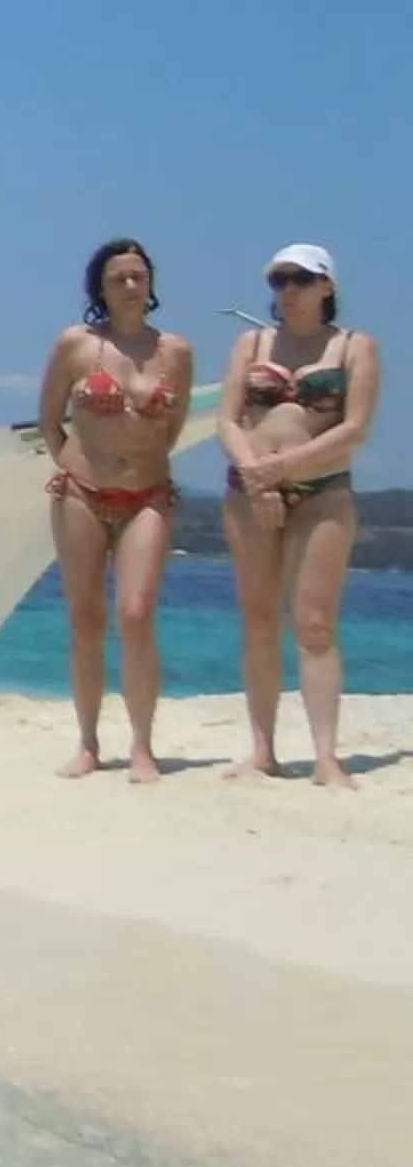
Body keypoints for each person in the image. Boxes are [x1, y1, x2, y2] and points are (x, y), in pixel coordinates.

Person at [218, 243, 383, 788]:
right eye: (279, 280)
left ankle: (326, 756)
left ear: (326, 286)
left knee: (315, 624)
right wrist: (255, 473)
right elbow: (228, 420)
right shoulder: (251, 344)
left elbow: (354, 429)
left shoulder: (355, 347)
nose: (288, 290)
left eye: (300, 279)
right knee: (259, 619)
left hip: (322, 492)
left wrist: (284, 467)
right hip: (250, 491)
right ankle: (262, 750)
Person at [36, 237, 192, 782]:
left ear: (151, 284)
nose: (129, 285)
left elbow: (173, 425)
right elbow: (49, 418)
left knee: (136, 613)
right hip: (80, 491)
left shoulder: (176, 352)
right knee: (85, 618)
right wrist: (69, 464)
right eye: (118, 278)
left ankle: (143, 746)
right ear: (99, 289)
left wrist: (144, 462)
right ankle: (87, 743)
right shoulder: (75, 345)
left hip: (147, 494)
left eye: (138, 276)